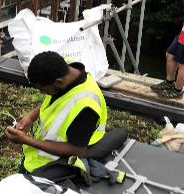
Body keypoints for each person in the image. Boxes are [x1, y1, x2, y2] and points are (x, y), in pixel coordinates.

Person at [6, 51, 111, 185]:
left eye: (43, 90)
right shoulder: (66, 67)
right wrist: (31, 117)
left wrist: (26, 140)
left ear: (58, 83)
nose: (42, 93)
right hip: (36, 158)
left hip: (55, 165)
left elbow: (76, 150)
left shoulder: (87, 106)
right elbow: (54, 99)